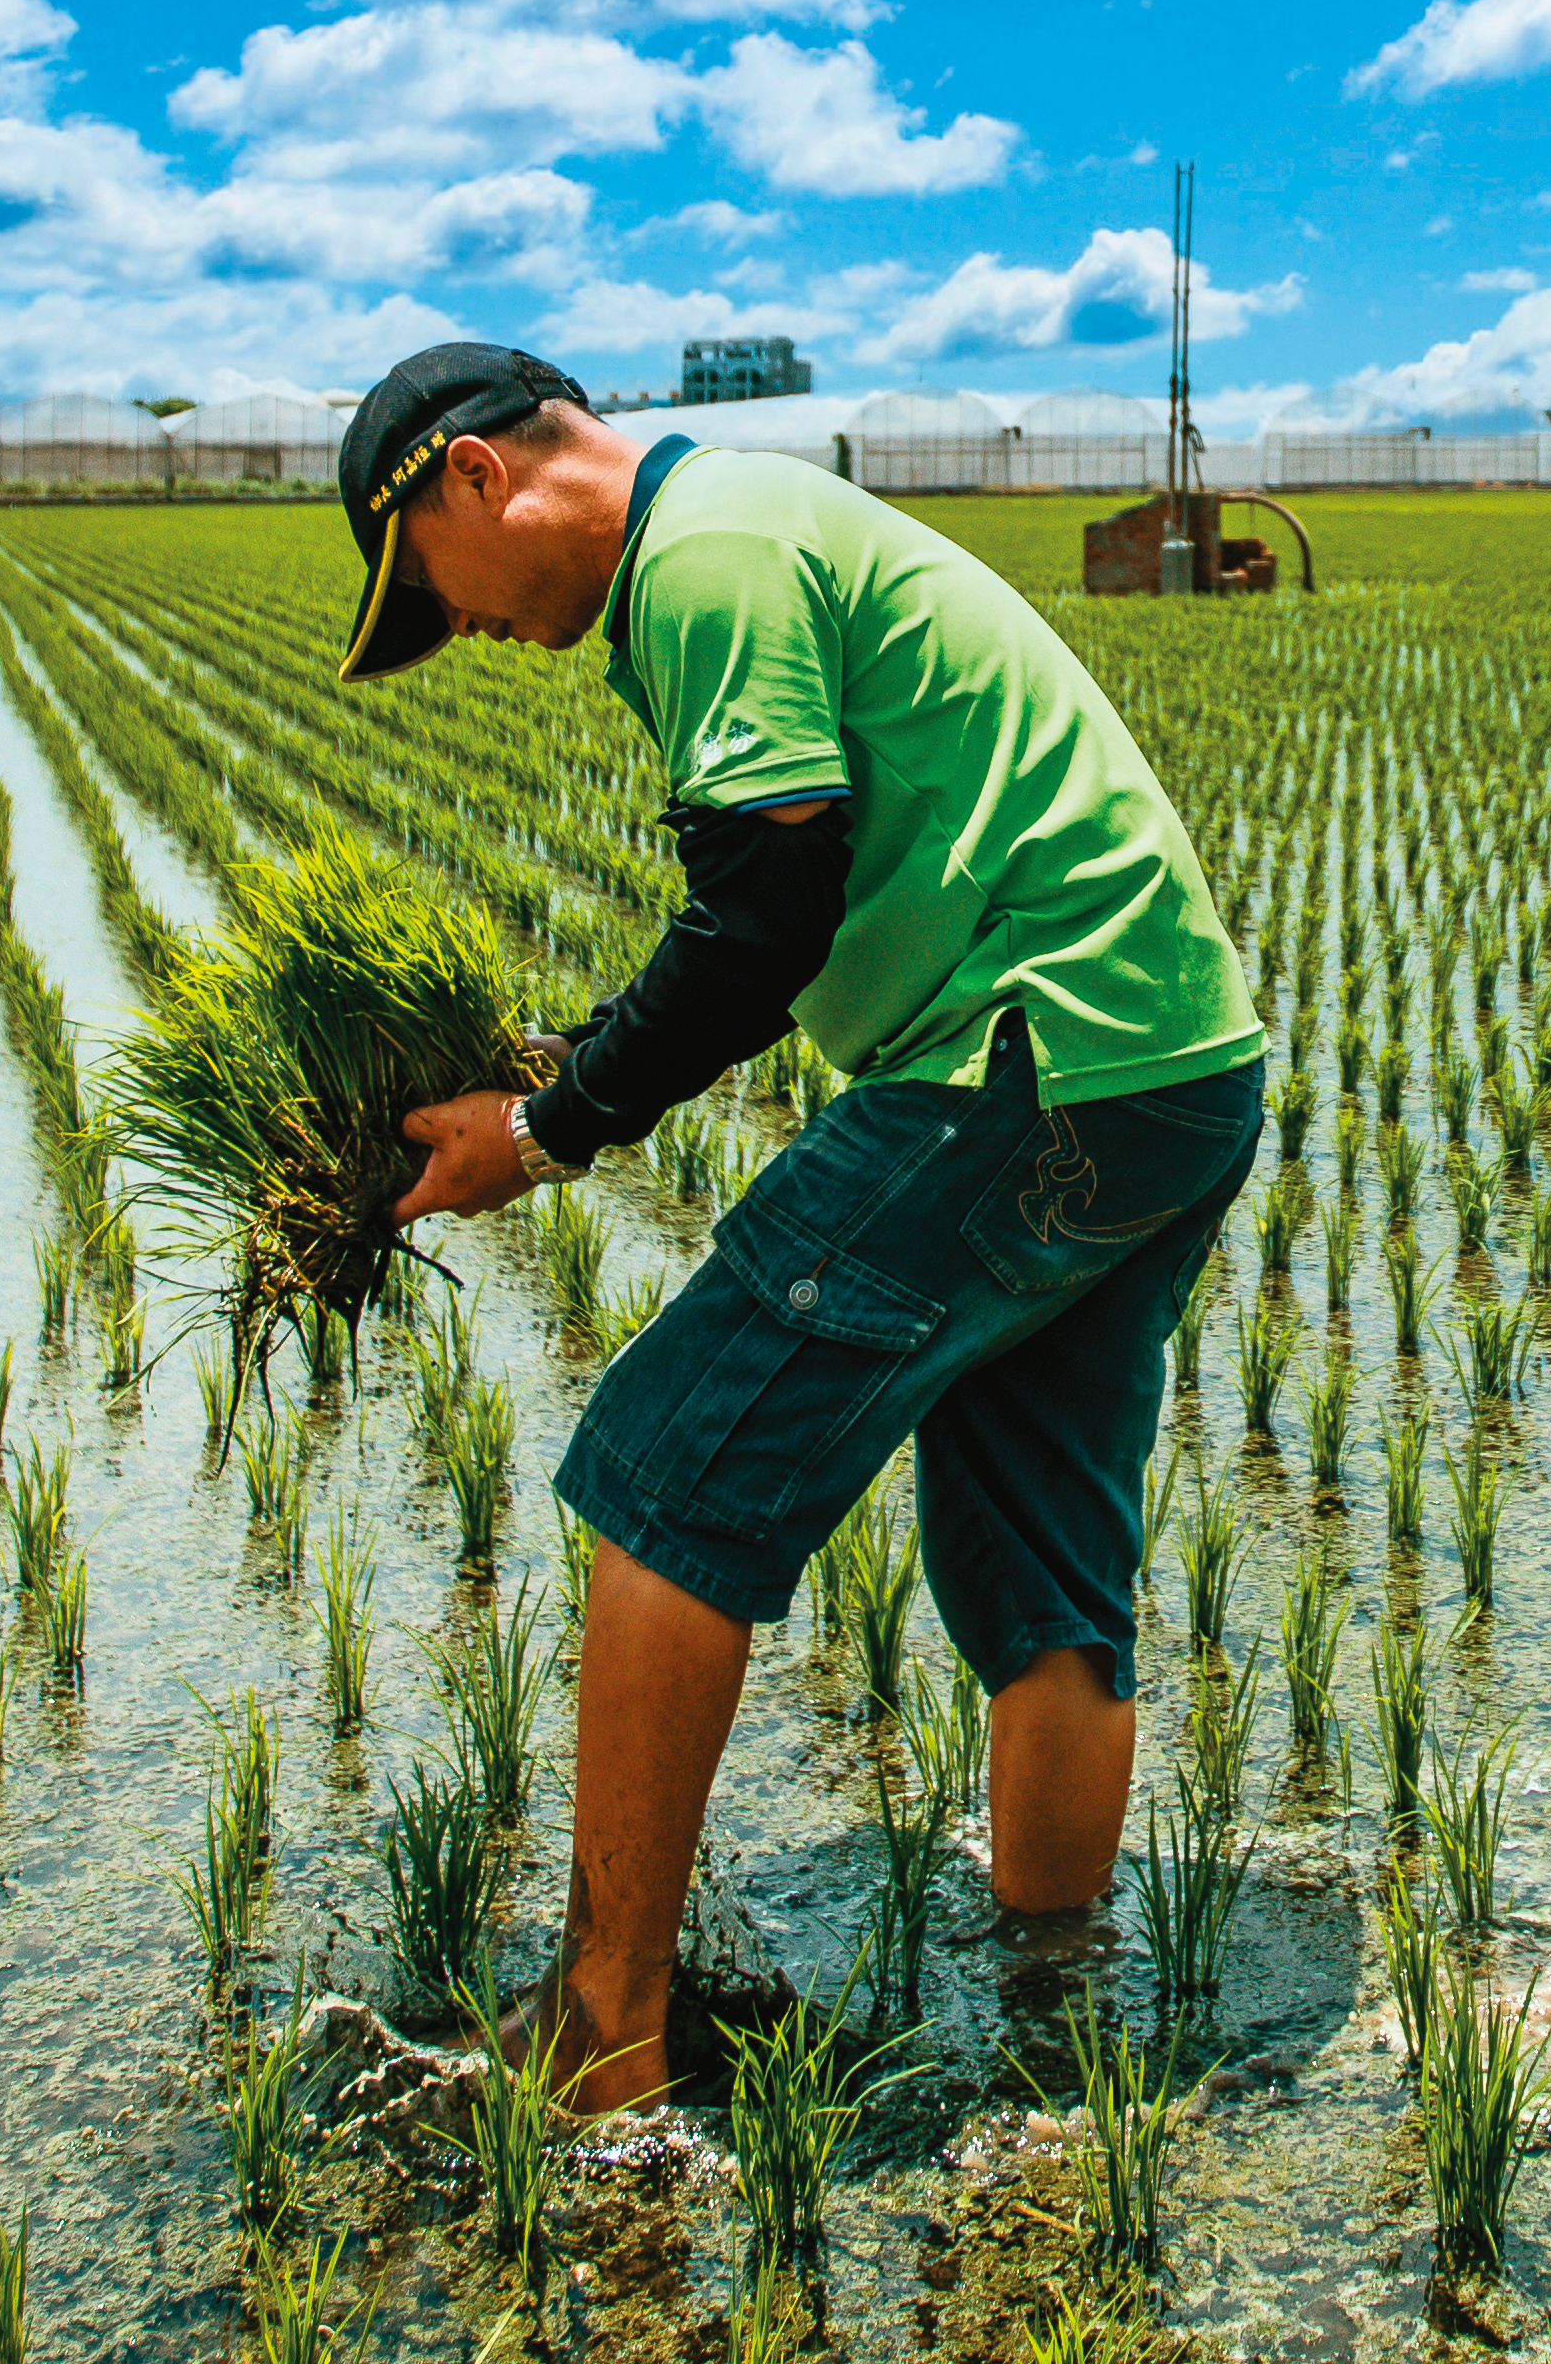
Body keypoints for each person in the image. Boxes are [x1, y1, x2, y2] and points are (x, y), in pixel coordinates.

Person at [326, 341, 1270, 2114]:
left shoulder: (705, 557)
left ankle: (604, 2029)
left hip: (1028, 1064)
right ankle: (1056, 2001)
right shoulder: (761, 524)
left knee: (667, 1477)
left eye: (429, 599)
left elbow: (761, 918)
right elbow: (767, 910)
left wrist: (545, 1127)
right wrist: (576, 1065)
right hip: (1169, 1070)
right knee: (1046, 1568)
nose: (460, 631)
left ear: (473, 478)